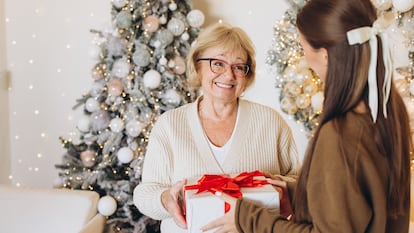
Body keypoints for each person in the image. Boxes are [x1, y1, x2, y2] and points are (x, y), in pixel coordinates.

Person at [201, 0, 412, 232]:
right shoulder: (389, 111)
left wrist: (249, 219)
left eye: (303, 48)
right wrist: (299, 193)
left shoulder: (340, 133)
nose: (305, 59)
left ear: (324, 55)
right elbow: (357, 201)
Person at [133, 22, 300, 232]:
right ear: (197, 66)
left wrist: (275, 185)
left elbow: (301, 184)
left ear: (247, 75)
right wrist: (166, 199)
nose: (228, 75)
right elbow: (144, 193)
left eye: (238, 67)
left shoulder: (270, 122)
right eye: (217, 64)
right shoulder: (170, 125)